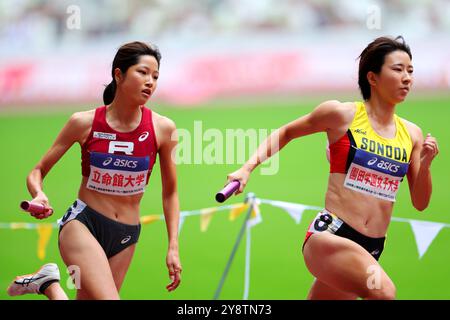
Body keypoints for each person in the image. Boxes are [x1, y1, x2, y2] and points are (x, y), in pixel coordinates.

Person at [226, 36, 439, 300]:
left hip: (372, 247)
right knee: (384, 293)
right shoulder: (342, 115)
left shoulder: (412, 134)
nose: (407, 77)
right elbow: (286, 133)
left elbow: (420, 202)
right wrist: (247, 168)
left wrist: (426, 165)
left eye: (410, 71)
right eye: (397, 69)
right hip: (330, 235)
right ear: (372, 78)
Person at [7, 41, 182, 299]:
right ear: (119, 74)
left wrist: (173, 246)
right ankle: (49, 284)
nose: (150, 82)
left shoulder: (163, 129)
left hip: (127, 235)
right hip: (83, 224)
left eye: (155, 76)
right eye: (142, 72)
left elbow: (171, 193)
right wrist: (39, 194)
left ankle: (49, 285)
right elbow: (37, 171)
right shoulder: (83, 122)